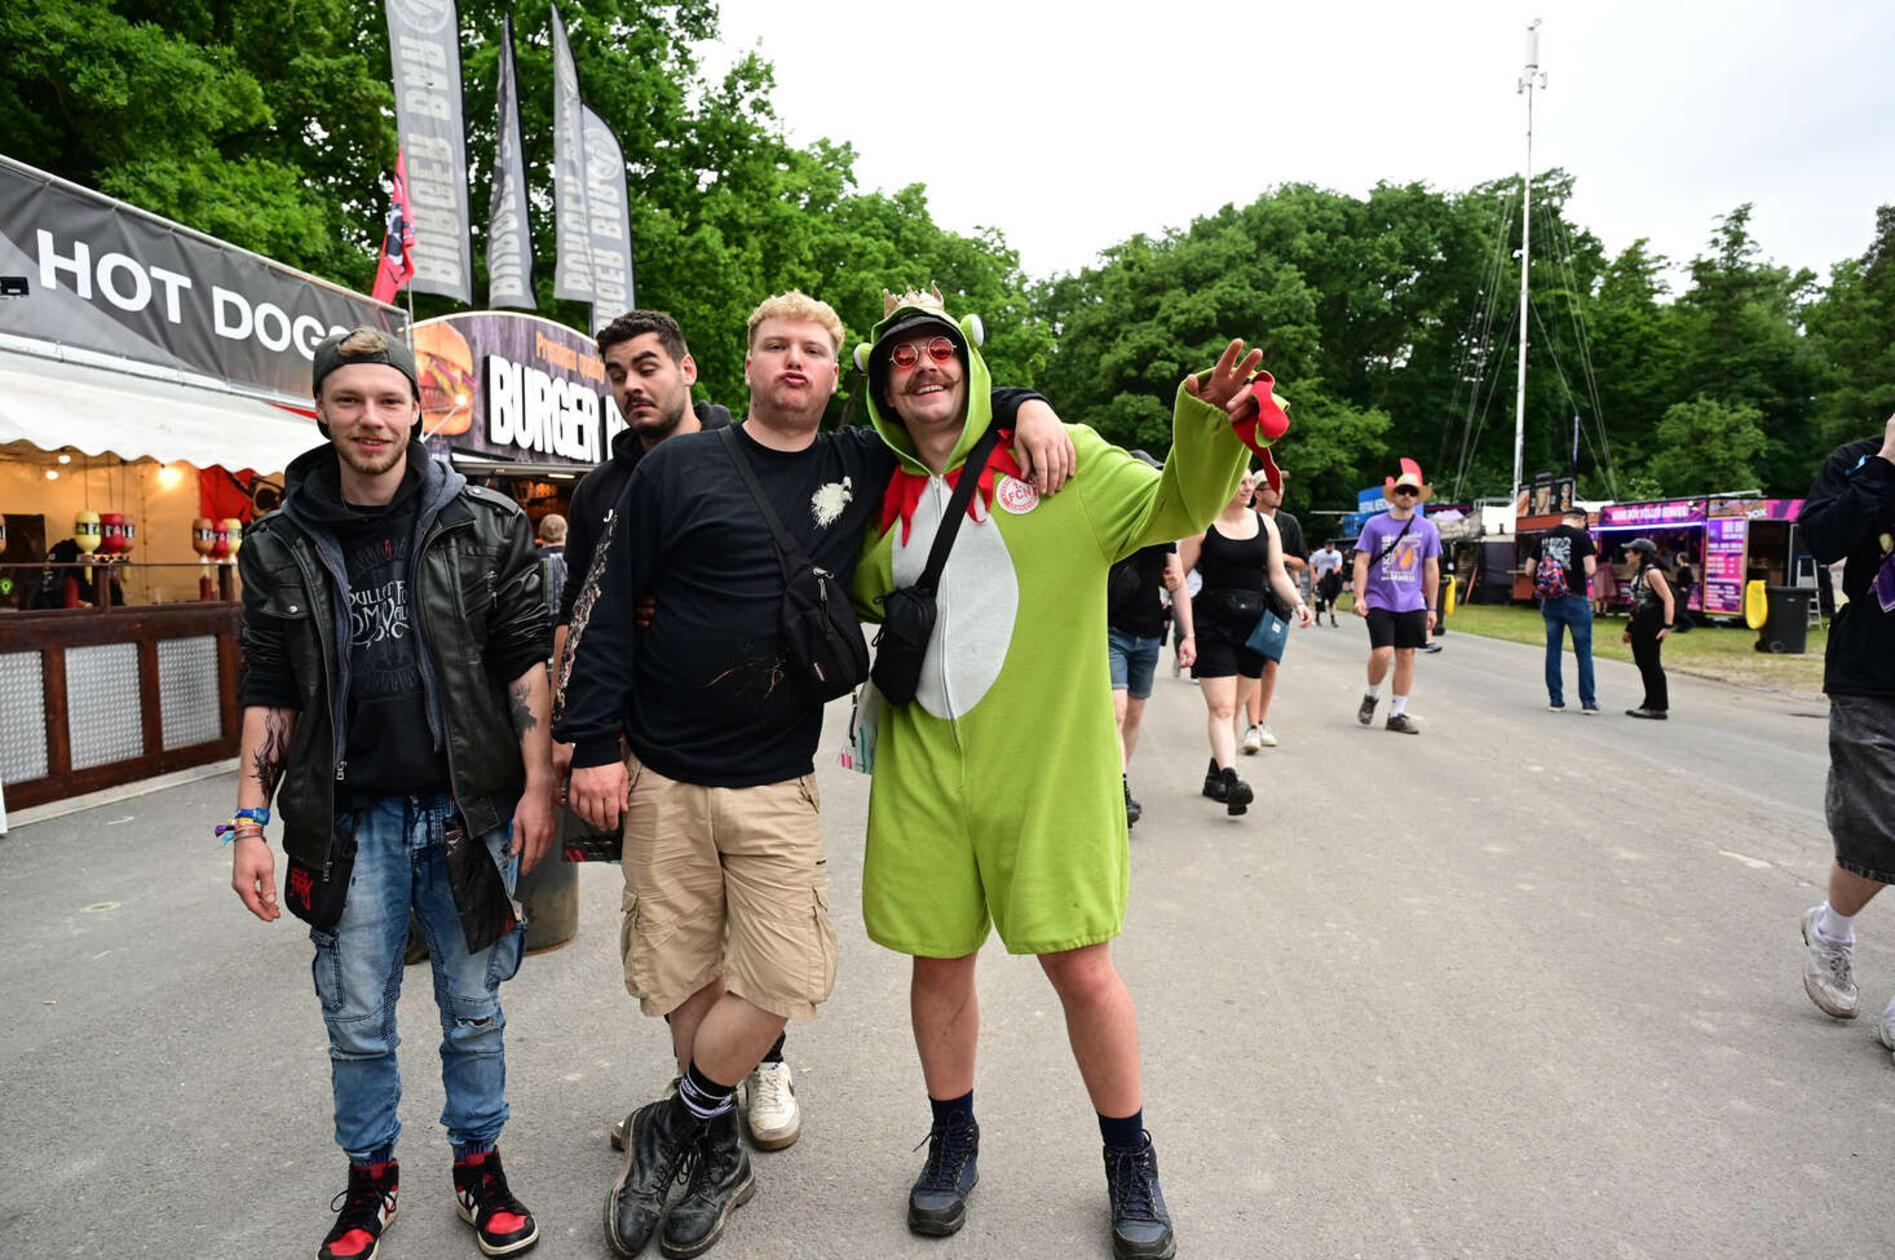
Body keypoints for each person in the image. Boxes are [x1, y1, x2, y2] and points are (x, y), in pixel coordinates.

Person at [558, 291, 1073, 1260]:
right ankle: (715, 1155)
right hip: (662, 774)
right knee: (679, 967)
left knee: (784, 971)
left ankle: (680, 1119)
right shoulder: (675, 470)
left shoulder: (858, 462)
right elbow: (610, 607)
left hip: (773, 778)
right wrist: (589, 744)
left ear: (839, 378)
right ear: (744, 363)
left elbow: (946, 412)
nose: (793, 360)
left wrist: (1027, 404)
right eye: (774, 345)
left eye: (813, 349)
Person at [849, 288, 1289, 1260]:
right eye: (901, 358)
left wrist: (1207, 425)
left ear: (969, 364)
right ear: (883, 386)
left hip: (1046, 768)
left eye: (939, 351)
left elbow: (1174, 501)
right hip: (924, 769)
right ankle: (953, 1137)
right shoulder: (876, 496)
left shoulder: (1054, 460)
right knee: (937, 959)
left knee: (1080, 964)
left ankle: (1129, 1153)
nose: (923, 367)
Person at [229, 327, 555, 1260]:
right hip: (347, 822)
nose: (370, 419)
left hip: (467, 814)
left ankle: (477, 1167)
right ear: (321, 411)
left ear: (418, 410)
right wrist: (249, 824)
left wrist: (538, 789)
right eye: (349, 401)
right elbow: (267, 687)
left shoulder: (486, 524)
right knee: (357, 1020)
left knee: (476, 1007)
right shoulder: (278, 544)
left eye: (388, 400)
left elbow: (522, 661)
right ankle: (370, 1178)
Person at [1796, 415, 1895, 1057]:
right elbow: (1820, 540)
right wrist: (1886, 463)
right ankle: (1832, 931)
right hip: (1871, 673)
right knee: (1876, 829)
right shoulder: (1857, 461)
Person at [1181, 470, 1310, 811]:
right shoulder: (1203, 524)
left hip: (1255, 625)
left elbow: (1277, 573)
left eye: (1250, 483)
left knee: (1235, 707)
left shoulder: (1265, 526)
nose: (1247, 488)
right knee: (1222, 708)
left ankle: (1214, 776)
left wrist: (1298, 604)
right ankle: (1231, 778)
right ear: (1221, 484)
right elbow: (1177, 574)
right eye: (1239, 481)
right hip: (1213, 625)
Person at [1106, 450, 1193, 829]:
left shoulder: (1163, 531)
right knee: (1117, 711)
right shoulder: (1111, 521)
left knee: (1134, 716)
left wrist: (1187, 634)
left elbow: (1179, 585)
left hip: (1148, 635)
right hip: (1111, 632)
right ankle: (1117, 787)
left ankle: (1114, 778)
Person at [1352, 458, 1442, 735]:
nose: (1406, 495)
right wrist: (1359, 596)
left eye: (1412, 492)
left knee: (1406, 654)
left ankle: (1397, 713)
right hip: (1380, 598)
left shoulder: (1427, 528)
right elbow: (1361, 561)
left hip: (1412, 600)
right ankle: (1372, 695)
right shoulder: (1375, 525)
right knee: (1383, 652)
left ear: (1417, 498)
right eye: (1402, 490)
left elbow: (1430, 567)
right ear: (1394, 494)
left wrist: (1432, 607)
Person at [1239, 469, 1307, 748]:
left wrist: (1280, 556)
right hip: (1249, 597)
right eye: (1272, 486)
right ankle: (1251, 724)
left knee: (1270, 662)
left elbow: (1303, 562)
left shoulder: (1289, 523)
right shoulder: (1245, 518)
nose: (1279, 491)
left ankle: (1262, 720)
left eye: (1281, 487)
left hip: (1279, 599)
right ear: (1257, 492)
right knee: (1250, 660)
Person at [1526, 504, 1599, 713]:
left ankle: (1555, 700)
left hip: (1550, 600)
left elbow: (1529, 569)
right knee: (1583, 651)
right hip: (1575, 599)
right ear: (1581, 520)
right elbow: (1590, 569)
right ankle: (1588, 701)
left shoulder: (1543, 537)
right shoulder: (1581, 538)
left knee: (1553, 650)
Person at [1621, 537, 1675, 719]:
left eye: (1630, 551)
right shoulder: (1639, 574)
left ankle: (1659, 706)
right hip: (1639, 624)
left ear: (1639, 554)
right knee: (1643, 663)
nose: (1626, 554)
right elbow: (1636, 603)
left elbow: (1669, 599)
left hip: (1651, 624)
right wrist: (1629, 628)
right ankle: (1649, 703)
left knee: (1651, 664)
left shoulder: (1653, 573)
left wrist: (1667, 626)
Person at [535, 512, 568, 621]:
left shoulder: (532, 559)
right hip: (570, 623)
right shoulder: (577, 556)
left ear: (541, 533)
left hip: (541, 624)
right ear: (565, 532)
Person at [1311, 539, 1346, 626]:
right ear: (1325, 546)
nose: (1330, 547)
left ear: (1334, 546)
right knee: (1319, 599)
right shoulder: (1319, 554)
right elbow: (1311, 564)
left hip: (1332, 580)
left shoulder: (1337, 554)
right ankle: (1317, 618)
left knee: (1332, 600)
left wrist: (1330, 574)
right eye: (1328, 545)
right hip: (1321, 580)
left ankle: (1333, 619)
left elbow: (1338, 566)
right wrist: (1314, 575)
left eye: (1331, 545)